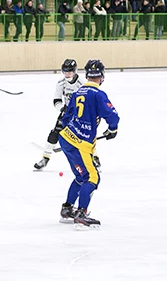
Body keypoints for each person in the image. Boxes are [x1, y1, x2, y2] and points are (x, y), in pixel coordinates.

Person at [58, 59, 119, 228]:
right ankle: (81, 213)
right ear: (102, 76)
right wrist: (113, 130)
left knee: (80, 176)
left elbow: (66, 117)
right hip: (81, 144)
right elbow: (113, 117)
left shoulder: (78, 92)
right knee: (92, 177)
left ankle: (67, 209)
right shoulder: (98, 94)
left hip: (66, 138)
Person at [34, 59, 82, 171]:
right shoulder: (61, 83)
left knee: (84, 136)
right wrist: (62, 109)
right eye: (64, 72)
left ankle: (94, 158)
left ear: (75, 71)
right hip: (66, 113)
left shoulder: (82, 83)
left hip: (80, 114)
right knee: (54, 133)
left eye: (69, 72)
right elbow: (56, 100)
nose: (67, 75)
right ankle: (45, 158)